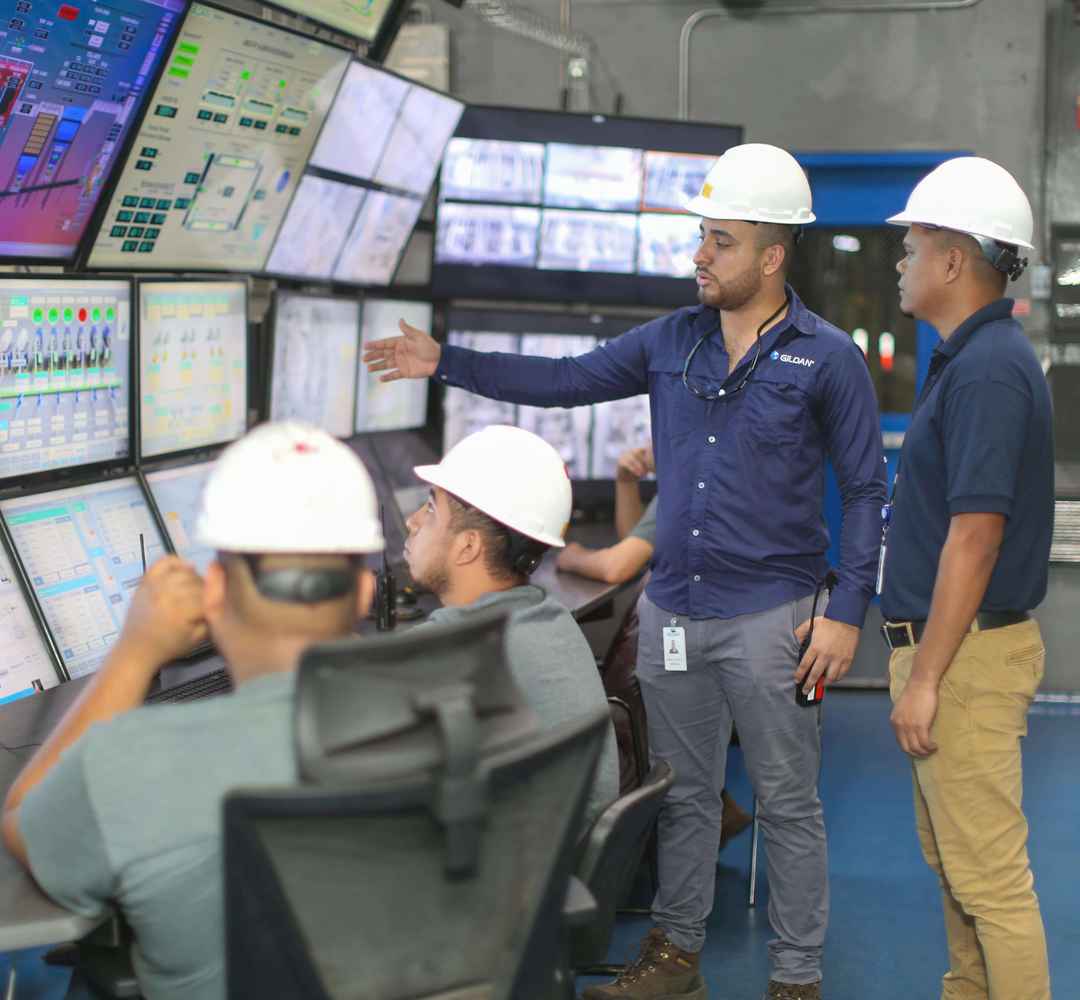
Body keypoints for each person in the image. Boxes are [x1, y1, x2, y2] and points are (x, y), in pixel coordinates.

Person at [365, 143, 887, 1000]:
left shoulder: (826, 358)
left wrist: (845, 610)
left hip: (776, 616)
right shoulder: (669, 342)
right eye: (701, 238)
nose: (699, 256)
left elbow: (868, 489)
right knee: (682, 795)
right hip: (674, 611)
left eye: (720, 241)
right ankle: (675, 958)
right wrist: (444, 361)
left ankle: (796, 979)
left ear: (772, 254)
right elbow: (564, 380)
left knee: (789, 803)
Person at [1, 422, 384, 1000]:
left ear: (214, 591)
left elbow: (26, 822)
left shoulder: (142, 761)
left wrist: (134, 654)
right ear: (363, 593)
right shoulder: (453, 719)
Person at [881, 157, 1054, 1000]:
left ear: (954, 261)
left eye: (912, 246)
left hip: (965, 660)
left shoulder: (987, 371)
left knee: (991, 884)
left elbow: (975, 539)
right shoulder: (973, 360)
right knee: (958, 869)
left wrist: (928, 677)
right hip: (955, 654)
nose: (901, 263)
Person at [402, 423, 619, 828]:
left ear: (468, 546)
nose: (413, 522)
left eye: (431, 508)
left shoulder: (444, 648)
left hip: (513, 877)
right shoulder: (552, 619)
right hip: (561, 870)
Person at [558, 441, 752, 844]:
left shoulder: (695, 481)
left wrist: (570, 555)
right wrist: (627, 483)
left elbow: (619, 565)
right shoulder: (726, 466)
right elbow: (643, 545)